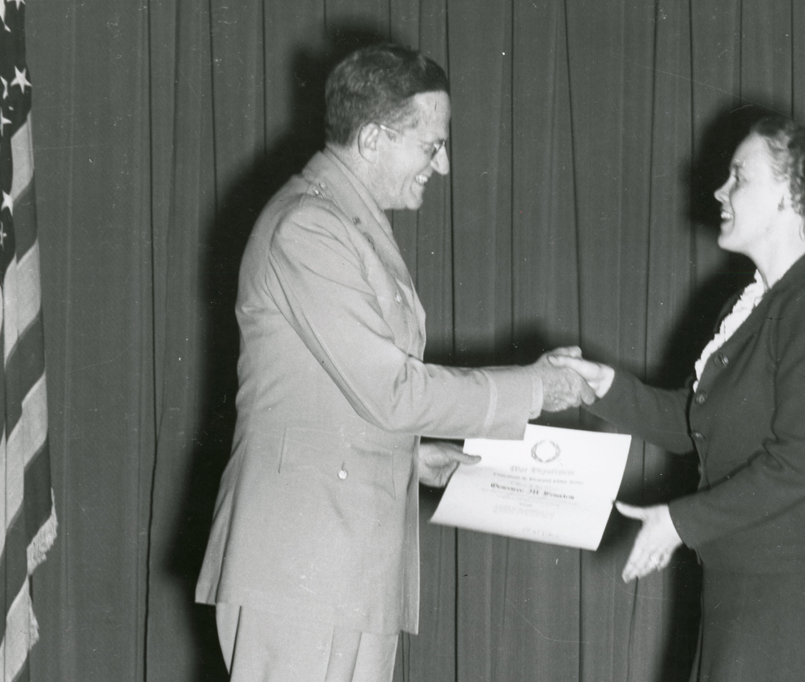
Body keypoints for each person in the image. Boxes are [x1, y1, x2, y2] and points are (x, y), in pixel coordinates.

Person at [195, 43, 592, 682]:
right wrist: (535, 389)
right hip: (303, 569)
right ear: (376, 138)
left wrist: (409, 456)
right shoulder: (310, 228)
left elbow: (331, 396)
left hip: (345, 566)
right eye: (432, 145)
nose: (443, 163)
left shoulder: (346, 222)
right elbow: (393, 392)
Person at [552, 115, 805, 681]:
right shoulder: (752, 307)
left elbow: (800, 463)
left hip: (798, 594)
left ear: (792, 193)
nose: (720, 191)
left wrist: (679, 522)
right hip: (745, 583)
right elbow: (696, 422)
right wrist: (603, 384)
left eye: (738, 178)